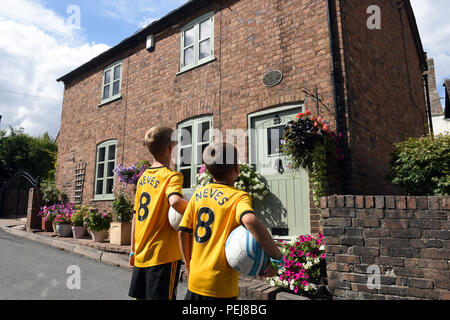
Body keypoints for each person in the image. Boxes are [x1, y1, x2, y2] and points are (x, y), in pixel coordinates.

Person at [178, 142, 284, 300]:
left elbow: (182, 233)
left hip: (195, 281)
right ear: (236, 168)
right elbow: (249, 219)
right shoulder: (238, 197)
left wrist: (188, 264)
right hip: (221, 286)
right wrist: (276, 258)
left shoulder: (197, 195)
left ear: (207, 170)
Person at [128, 126, 188, 300]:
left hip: (141, 253)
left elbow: (135, 215)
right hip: (163, 255)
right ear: (170, 148)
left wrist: (132, 250)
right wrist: (196, 211)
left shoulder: (143, 178)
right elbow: (175, 201)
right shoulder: (171, 176)